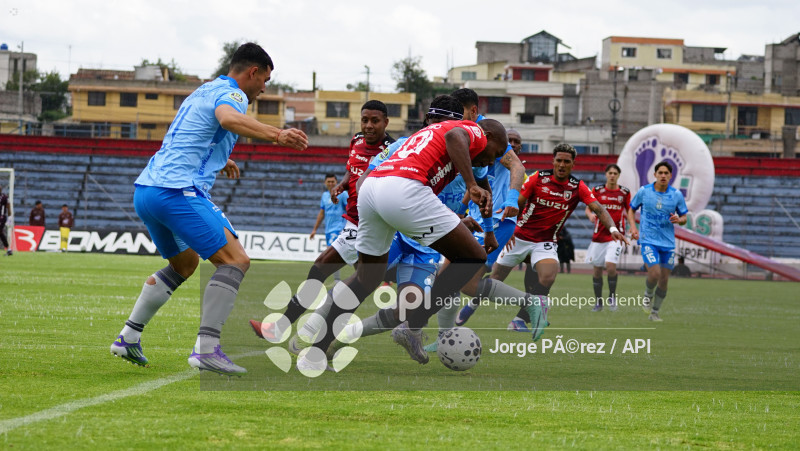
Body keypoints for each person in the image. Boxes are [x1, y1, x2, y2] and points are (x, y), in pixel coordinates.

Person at [109, 42, 309, 376]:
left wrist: (221, 158)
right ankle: (206, 348)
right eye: (266, 80)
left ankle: (129, 336)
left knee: (184, 265)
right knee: (236, 261)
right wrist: (278, 134)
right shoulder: (234, 95)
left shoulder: (204, 90)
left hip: (147, 190)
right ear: (253, 72)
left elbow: (188, 135)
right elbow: (229, 119)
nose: (264, 88)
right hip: (177, 191)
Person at [313, 118, 540, 367]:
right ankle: (413, 325)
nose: (491, 161)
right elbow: (455, 137)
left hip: (373, 189)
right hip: (405, 189)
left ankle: (318, 348)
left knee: (366, 279)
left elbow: (478, 187)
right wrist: (471, 185)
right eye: (495, 153)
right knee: (473, 257)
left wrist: (484, 226)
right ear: (485, 135)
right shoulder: (472, 130)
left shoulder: (445, 142)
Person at [249, 100, 393, 345]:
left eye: (375, 121)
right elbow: (352, 169)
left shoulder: (391, 150)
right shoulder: (357, 140)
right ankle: (325, 341)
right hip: (353, 221)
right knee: (357, 284)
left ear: (386, 123)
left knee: (321, 268)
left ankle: (285, 329)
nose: (369, 126)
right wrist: (343, 184)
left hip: (367, 224)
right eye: (365, 120)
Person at [457, 144, 629, 330]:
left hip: (545, 242)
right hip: (519, 237)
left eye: (566, 161)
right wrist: (509, 229)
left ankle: (519, 320)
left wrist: (612, 229)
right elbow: (518, 204)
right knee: (497, 277)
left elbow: (599, 209)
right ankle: (471, 306)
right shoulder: (538, 178)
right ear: (553, 161)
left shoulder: (577, 187)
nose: (562, 165)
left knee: (548, 276)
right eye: (559, 160)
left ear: (573, 164)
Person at [628, 161, 688, 322]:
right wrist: (633, 228)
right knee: (655, 273)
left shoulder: (676, 195)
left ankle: (655, 312)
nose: (663, 175)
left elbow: (684, 218)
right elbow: (631, 209)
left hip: (667, 243)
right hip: (648, 240)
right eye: (660, 172)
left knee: (664, 280)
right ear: (654, 174)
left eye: (666, 173)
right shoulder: (644, 191)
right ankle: (647, 296)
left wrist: (679, 219)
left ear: (670, 175)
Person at [585, 164, 631, 312]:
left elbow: (629, 210)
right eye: (610, 173)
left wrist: (633, 228)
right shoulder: (597, 191)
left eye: (615, 173)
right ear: (606, 174)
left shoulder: (624, 192)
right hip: (599, 236)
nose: (612, 175)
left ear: (618, 175)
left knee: (611, 266)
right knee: (597, 270)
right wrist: (590, 215)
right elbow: (588, 207)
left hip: (616, 236)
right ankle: (598, 302)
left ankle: (612, 297)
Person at [309, 173, 348, 281]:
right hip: (328, 230)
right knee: (335, 256)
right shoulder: (325, 196)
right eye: (328, 182)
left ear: (337, 182)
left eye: (333, 182)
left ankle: (337, 281)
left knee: (330, 255)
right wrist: (314, 229)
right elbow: (322, 213)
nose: (331, 184)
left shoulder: (343, 194)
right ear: (325, 183)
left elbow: (349, 209)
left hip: (338, 228)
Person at [0, 186, 11, 256]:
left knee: (0, 231)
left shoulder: (4, 197)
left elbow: (8, 206)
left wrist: (10, 216)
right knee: (0, 233)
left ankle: (8, 248)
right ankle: (8, 249)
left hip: (1, 217)